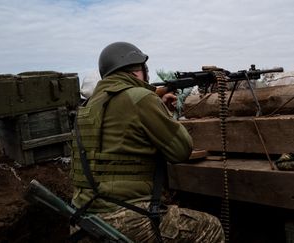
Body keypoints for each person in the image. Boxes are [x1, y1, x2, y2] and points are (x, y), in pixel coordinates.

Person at [70, 42, 224, 242]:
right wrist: (161, 109)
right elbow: (181, 151)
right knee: (210, 227)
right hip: (125, 220)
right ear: (137, 70)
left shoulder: (88, 106)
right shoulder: (141, 98)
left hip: (82, 218)